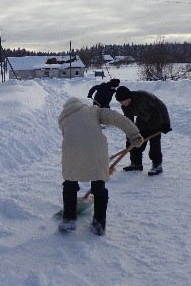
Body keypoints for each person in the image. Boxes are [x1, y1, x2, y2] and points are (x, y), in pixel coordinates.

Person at [58, 97, 144, 235]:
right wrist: (134, 134)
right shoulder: (92, 110)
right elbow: (116, 118)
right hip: (96, 150)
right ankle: (99, 224)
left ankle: (68, 220)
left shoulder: (63, 117)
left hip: (72, 150)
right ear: (80, 104)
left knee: (70, 183)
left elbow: (68, 135)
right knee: (98, 184)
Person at [114, 86, 171, 176]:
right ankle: (136, 164)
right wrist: (130, 137)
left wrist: (166, 123)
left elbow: (161, 105)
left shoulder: (143, 96)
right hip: (142, 122)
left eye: (123, 101)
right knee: (136, 142)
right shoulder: (125, 106)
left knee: (154, 145)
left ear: (128, 97)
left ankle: (157, 165)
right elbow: (129, 122)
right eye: (120, 102)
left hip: (156, 121)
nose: (122, 103)